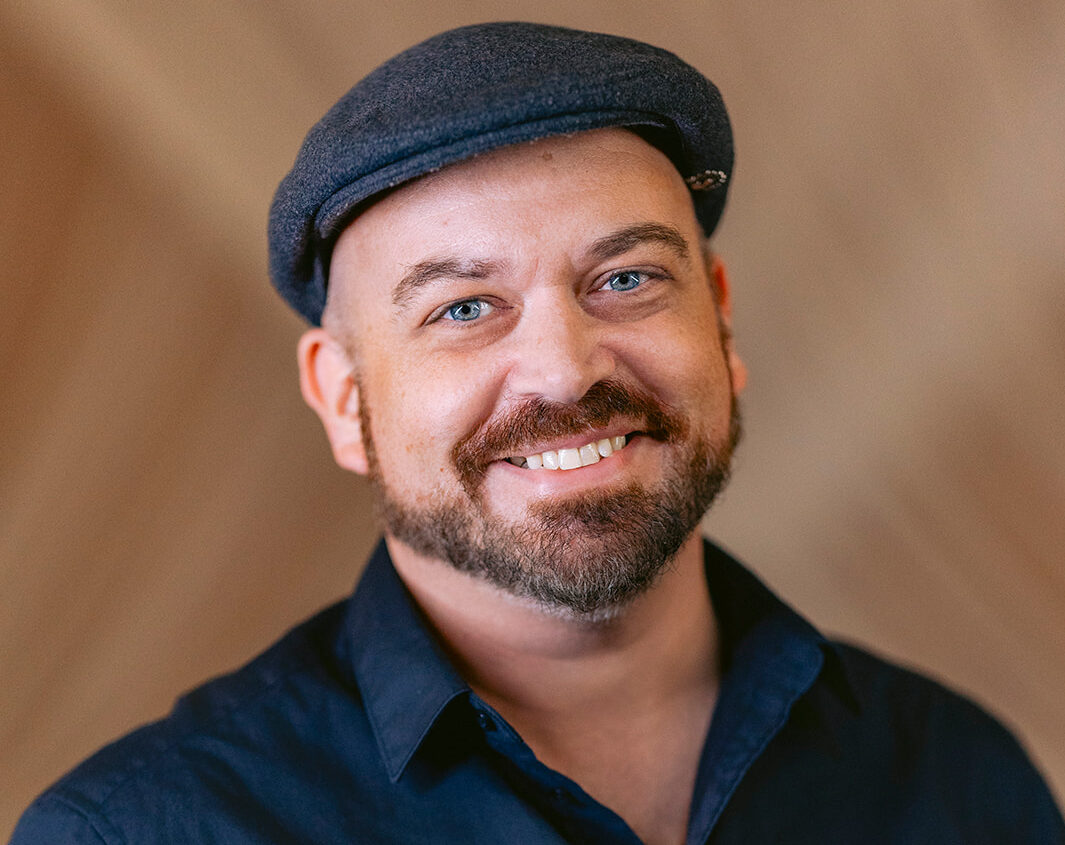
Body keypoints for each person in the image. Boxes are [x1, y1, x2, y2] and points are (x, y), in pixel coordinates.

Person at [11, 22, 1064, 845]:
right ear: (341, 398)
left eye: (626, 279)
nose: (566, 369)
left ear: (720, 319)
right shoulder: (140, 831)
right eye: (464, 307)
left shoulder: (957, 778)